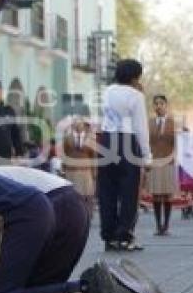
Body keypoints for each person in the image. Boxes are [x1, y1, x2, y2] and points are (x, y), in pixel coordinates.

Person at [97, 59, 151, 251]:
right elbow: (141, 127)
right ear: (135, 77)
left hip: (106, 140)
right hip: (127, 141)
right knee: (129, 192)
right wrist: (147, 157)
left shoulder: (107, 91)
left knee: (107, 190)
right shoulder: (136, 96)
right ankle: (124, 235)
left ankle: (108, 236)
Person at [147, 95, 178, 236]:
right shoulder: (149, 123)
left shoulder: (173, 123)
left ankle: (166, 225)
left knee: (167, 195)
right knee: (156, 195)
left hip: (168, 162)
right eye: (156, 104)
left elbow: (178, 142)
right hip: (154, 162)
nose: (158, 106)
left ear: (166, 106)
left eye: (161, 103)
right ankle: (158, 225)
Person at [63, 117, 96, 215]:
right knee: (73, 193)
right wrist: (64, 169)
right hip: (72, 170)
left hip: (85, 170)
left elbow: (94, 156)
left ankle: (88, 213)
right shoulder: (68, 138)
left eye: (80, 124)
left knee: (87, 193)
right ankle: (73, 213)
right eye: (75, 124)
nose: (78, 126)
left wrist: (94, 172)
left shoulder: (90, 138)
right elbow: (65, 154)